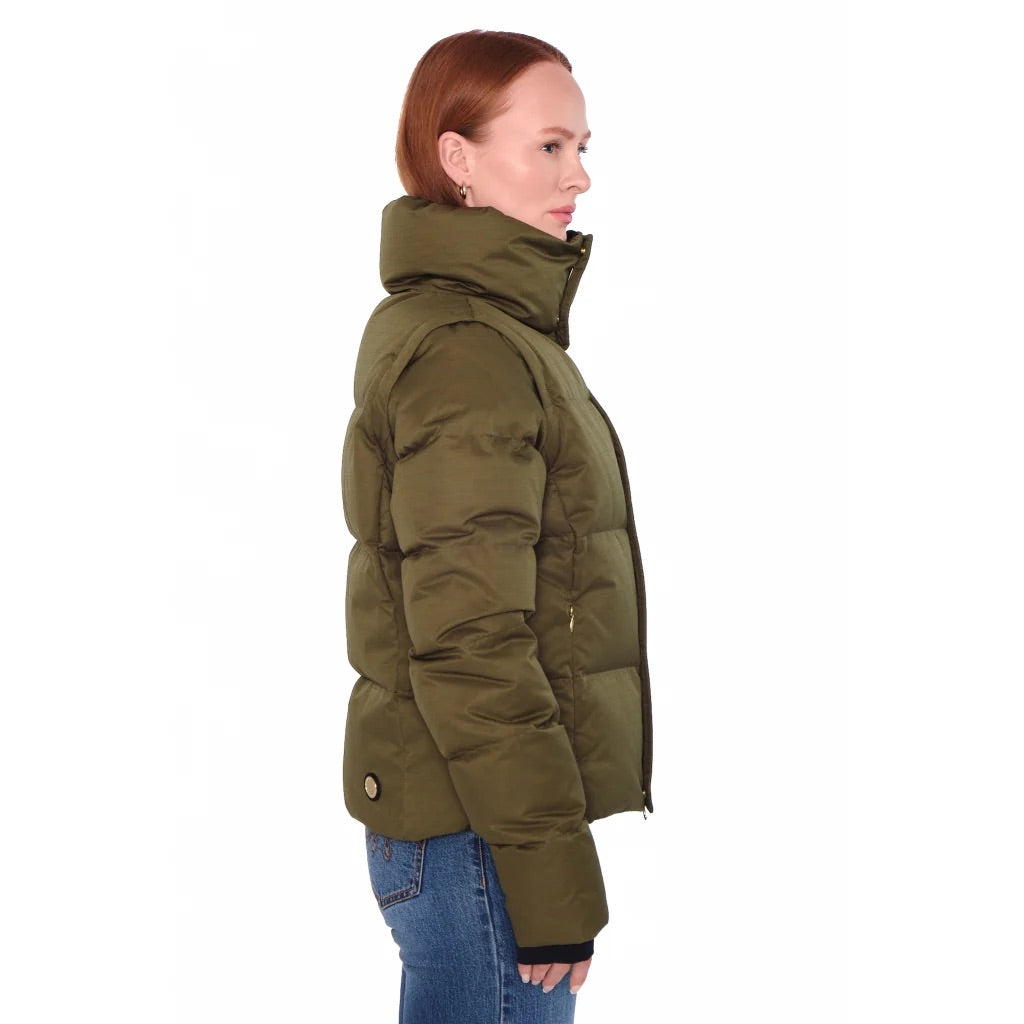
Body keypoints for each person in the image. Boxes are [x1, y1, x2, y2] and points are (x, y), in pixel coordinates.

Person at [340, 29, 654, 1024]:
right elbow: (472, 639)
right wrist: (547, 872)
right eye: (549, 146)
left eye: (582, 147)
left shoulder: (484, 332)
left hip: (470, 819)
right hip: (479, 832)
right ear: (459, 158)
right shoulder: (469, 351)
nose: (580, 175)